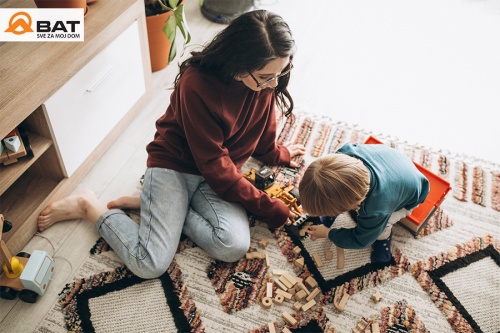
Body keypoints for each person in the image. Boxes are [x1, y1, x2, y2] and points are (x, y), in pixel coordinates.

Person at [37, 10, 305, 279]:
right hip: (177, 165)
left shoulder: (266, 81)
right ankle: (89, 206)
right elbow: (214, 165)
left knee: (233, 246)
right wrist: (268, 208)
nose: (273, 84)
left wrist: (274, 153)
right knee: (149, 264)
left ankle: (155, 207)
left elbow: (263, 120)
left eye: (280, 73)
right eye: (265, 77)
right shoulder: (197, 84)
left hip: (218, 174)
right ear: (239, 62)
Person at [299, 142, 429, 263]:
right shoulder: (342, 153)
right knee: (334, 190)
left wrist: (328, 233)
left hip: (414, 193)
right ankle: (332, 210)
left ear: (353, 204)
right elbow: (331, 183)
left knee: (383, 226)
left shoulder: (376, 209)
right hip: (392, 162)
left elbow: (360, 240)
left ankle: (383, 242)